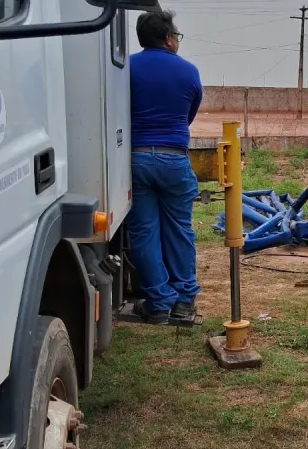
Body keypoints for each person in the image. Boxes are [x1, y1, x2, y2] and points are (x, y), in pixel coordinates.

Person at [127, 10, 203, 324]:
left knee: (143, 232)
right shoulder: (188, 72)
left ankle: (158, 303)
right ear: (169, 39)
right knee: (179, 230)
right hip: (174, 158)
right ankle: (184, 301)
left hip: (137, 159)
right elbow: (188, 115)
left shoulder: (126, 67)